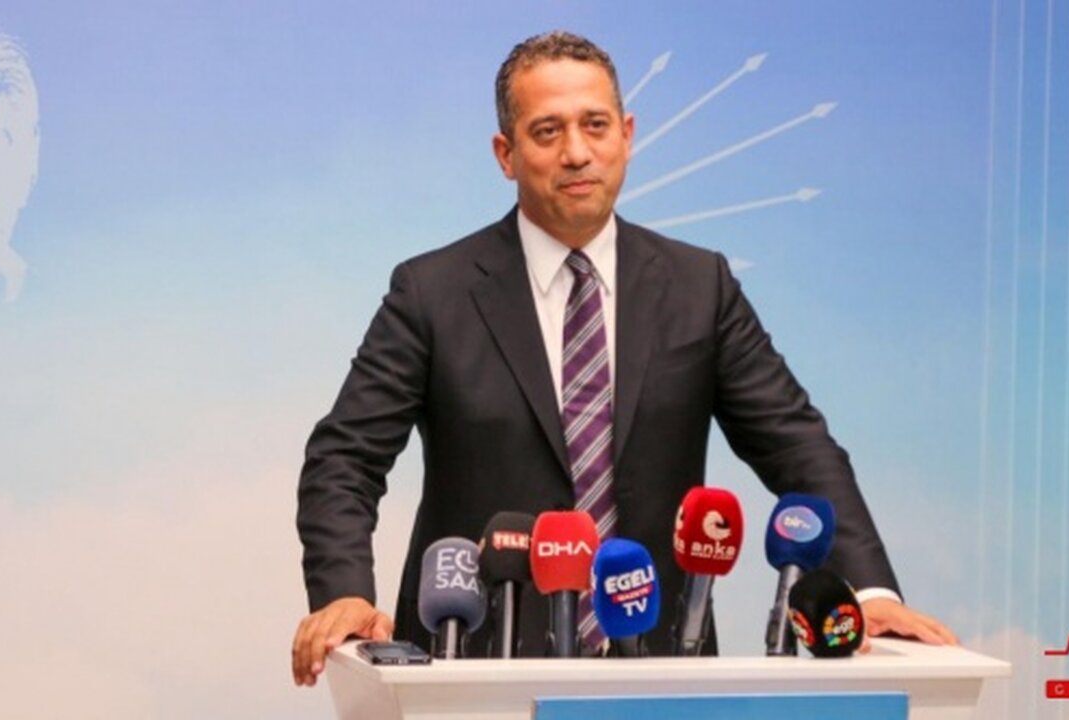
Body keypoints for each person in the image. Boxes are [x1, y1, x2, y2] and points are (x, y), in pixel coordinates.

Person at [292, 30, 956, 687]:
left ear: (628, 135)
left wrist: (871, 593)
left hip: (662, 666)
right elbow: (344, 458)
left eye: (596, 125)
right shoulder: (433, 292)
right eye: (547, 131)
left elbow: (797, 446)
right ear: (506, 154)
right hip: (468, 672)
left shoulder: (699, 287)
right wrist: (344, 592)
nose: (577, 152)